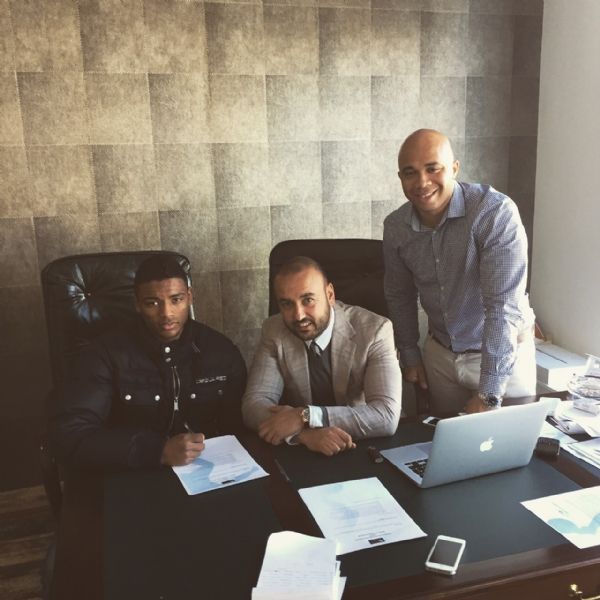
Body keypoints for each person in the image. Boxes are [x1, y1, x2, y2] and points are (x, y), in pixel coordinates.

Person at [383, 128, 536, 415]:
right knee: (443, 439)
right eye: (410, 173)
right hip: (440, 355)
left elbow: (503, 307)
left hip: (502, 357)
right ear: (400, 177)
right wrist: (410, 354)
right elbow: (399, 294)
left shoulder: (494, 213)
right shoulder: (395, 227)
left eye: (433, 169)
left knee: (509, 442)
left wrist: (489, 393)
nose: (422, 182)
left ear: (454, 168)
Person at [50, 255, 247, 468]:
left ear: (189, 297)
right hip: (133, 470)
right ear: (137, 304)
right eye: (152, 303)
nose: (166, 313)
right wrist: (158, 451)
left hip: (208, 469)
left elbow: (239, 427)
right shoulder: (105, 354)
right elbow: (70, 434)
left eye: (176, 300)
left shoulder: (220, 351)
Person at [241, 256, 402, 456]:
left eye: (308, 300)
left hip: (364, 444)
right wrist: (303, 435)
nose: (298, 315)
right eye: (287, 304)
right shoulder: (274, 330)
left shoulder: (375, 330)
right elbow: (254, 404)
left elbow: (386, 415)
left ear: (330, 295)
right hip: (307, 451)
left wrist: (306, 416)